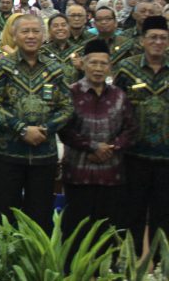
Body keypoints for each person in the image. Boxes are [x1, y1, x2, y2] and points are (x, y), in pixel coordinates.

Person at [0, 14, 72, 232]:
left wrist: (46, 129)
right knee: (3, 216)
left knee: (40, 217)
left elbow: (67, 107)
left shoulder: (55, 68)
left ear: (44, 35)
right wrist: (21, 129)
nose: (31, 36)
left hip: (44, 153)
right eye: (25, 31)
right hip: (7, 153)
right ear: (14, 35)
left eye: (36, 31)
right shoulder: (2, 66)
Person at [59, 39, 135, 249]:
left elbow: (131, 129)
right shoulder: (70, 93)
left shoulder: (119, 96)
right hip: (78, 174)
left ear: (110, 67)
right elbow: (64, 129)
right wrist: (93, 147)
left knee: (108, 235)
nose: (98, 68)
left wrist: (110, 149)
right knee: (76, 233)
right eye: (93, 63)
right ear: (83, 64)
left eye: (103, 63)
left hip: (111, 175)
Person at [115, 15, 169, 253]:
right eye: (153, 37)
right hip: (133, 155)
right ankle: (129, 263)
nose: (158, 42)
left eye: (163, 38)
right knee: (131, 212)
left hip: (166, 158)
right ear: (143, 40)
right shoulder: (127, 68)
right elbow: (114, 107)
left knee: (164, 215)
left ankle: (160, 265)